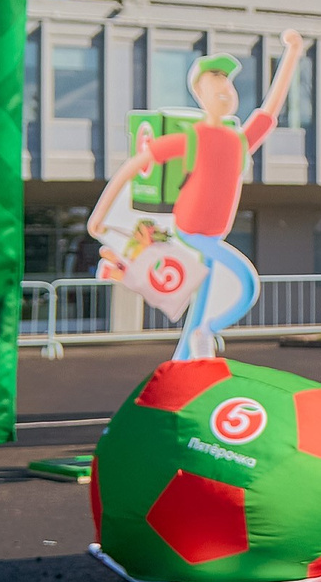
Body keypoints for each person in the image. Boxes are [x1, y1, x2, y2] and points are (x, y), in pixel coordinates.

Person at [88, 32, 307, 361]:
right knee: (243, 283)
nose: (224, 94)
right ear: (200, 94)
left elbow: (270, 110)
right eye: (215, 88)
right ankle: (199, 333)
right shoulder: (193, 137)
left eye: (228, 88)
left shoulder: (238, 141)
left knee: (202, 297)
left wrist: (292, 53)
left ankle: (190, 351)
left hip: (213, 232)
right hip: (191, 229)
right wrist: (99, 216)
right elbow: (138, 162)